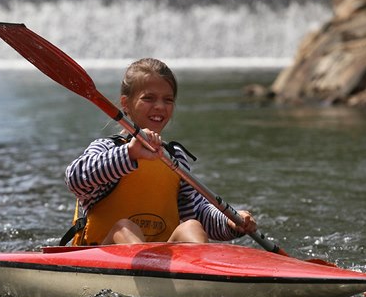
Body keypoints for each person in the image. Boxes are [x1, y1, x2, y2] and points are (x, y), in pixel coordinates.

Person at [64, 58, 257, 245]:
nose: (159, 106)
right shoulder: (108, 148)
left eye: (168, 100)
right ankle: (149, 270)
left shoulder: (175, 157)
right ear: (126, 104)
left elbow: (199, 211)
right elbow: (74, 179)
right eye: (148, 98)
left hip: (161, 261)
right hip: (104, 254)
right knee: (124, 229)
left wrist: (230, 222)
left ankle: (199, 273)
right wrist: (128, 154)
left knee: (192, 226)